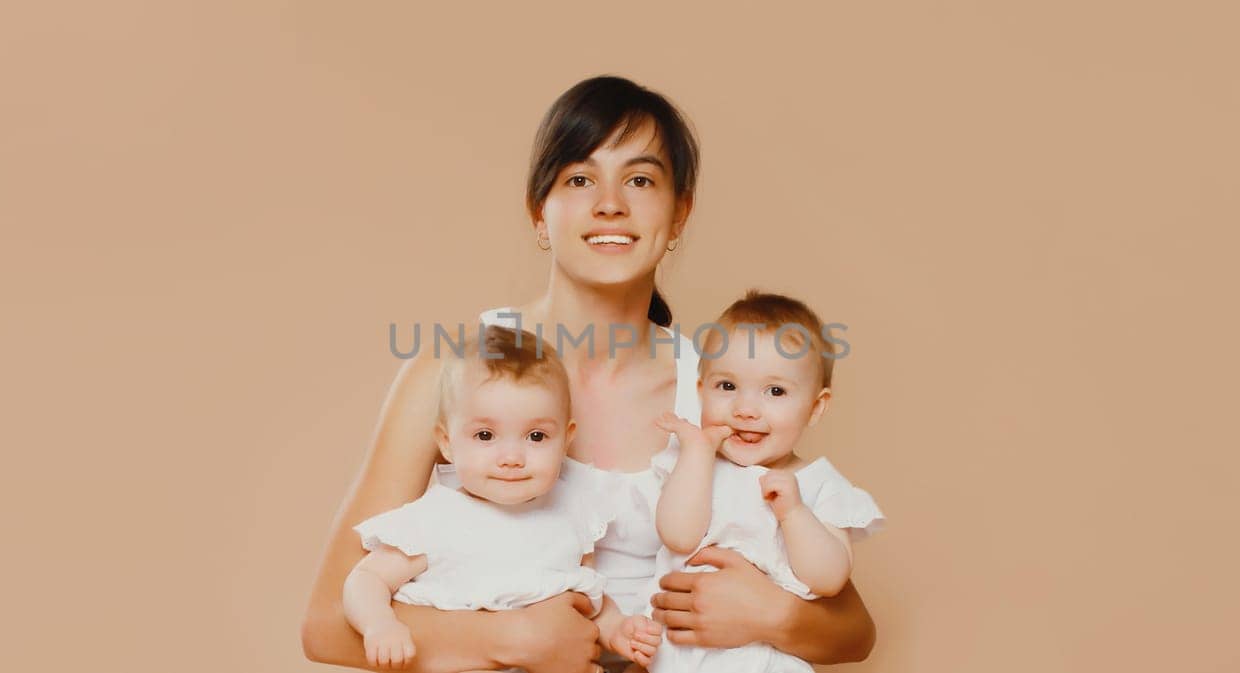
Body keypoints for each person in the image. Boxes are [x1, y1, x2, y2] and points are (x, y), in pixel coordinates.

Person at [302, 75, 878, 673]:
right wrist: (509, 640)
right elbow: (325, 626)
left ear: (679, 215)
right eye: (579, 178)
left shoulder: (717, 393)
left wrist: (773, 617)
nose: (610, 203)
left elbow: (853, 629)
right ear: (539, 211)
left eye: (640, 179)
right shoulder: (452, 369)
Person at [342, 326, 656, 671]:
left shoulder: (572, 516)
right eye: (485, 435)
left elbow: (587, 601)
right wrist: (380, 625)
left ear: (566, 440)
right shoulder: (436, 520)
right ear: (446, 442)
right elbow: (365, 580)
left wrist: (616, 630)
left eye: (536, 436)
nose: (511, 457)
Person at [649, 291, 885, 673]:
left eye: (775, 392)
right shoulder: (695, 464)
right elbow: (678, 535)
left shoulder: (818, 485)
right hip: (681, 659)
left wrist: (793, 513)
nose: (746, 409)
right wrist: (696, 454)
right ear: (700, 391)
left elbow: (828, 579)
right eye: (727, 387)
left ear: (816, 407)